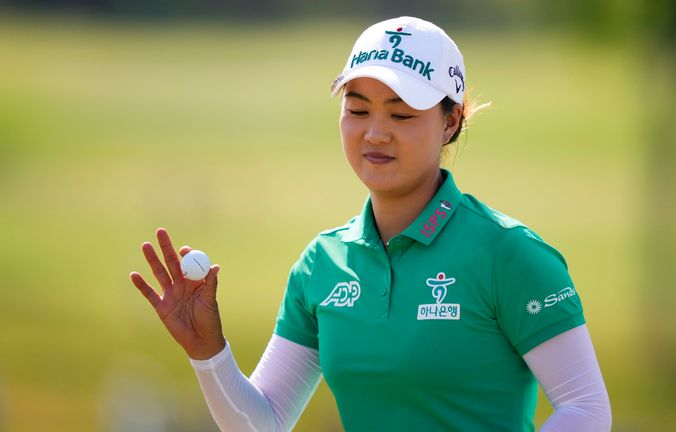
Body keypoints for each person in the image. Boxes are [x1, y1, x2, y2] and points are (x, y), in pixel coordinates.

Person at [130, 16, 611, 432]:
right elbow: (267, 421)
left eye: (401, 113)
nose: (375, 132)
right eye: (357, 110)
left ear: (451, 122)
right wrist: (209, 353)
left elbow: (586, 408)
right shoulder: (323, 263)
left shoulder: (507, 253)